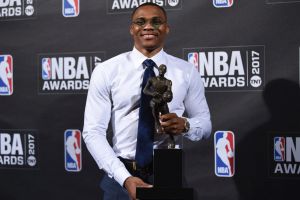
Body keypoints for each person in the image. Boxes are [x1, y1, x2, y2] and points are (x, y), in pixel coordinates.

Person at [82, 3, 211, 200]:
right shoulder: (107, 71)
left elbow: (205, 124)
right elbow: (93, 132)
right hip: (120, 175)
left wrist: (185, 125)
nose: (148, 27)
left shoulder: (186, 71)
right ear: (132, 28)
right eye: (140, 22)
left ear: (166, 28)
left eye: (156, 22)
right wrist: (125, 179)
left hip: (169, 174)